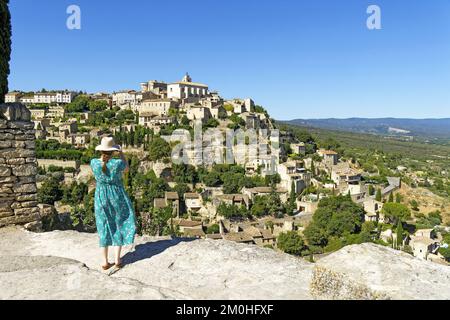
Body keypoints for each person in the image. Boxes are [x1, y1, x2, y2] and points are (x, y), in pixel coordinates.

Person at [90, 136, 136, 270]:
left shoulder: (93, 162)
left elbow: (99, 171)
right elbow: (127, 169)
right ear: (113, 150)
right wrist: (121, 153)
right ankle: (117, 260)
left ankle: (104, 262)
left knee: (103, 225)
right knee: (119, 223)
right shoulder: (117, 163)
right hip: (116, 195)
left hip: (101, 196)